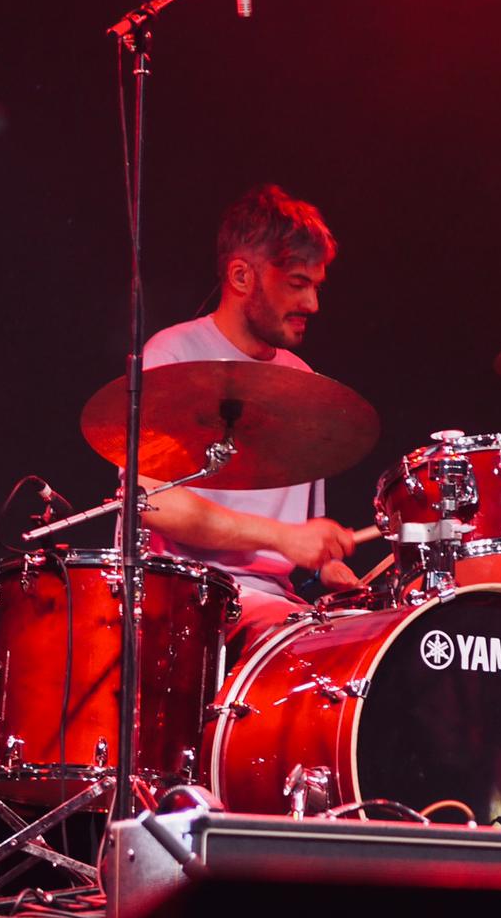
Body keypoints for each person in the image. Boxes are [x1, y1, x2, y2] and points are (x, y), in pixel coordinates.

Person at [140, 183, 358, 651]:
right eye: (298, 284)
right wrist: (284, 539)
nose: (313, 305)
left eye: (316, 287)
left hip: (278, 605)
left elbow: (302, 538)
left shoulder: (302, 381)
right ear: (242, 276)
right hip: (190, 601)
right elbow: (155, 503)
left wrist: (328, 565)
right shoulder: (174, 356)